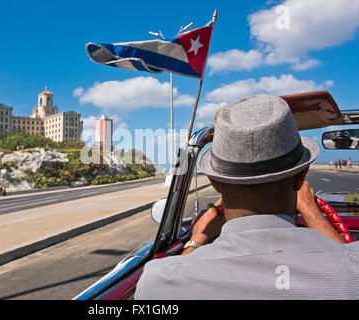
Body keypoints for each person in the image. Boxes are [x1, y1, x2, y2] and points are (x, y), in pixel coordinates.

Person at [135, 94, 359, 300]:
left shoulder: (158, 283)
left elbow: (173, 276)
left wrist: (195, 242)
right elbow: (346, 261)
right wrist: (312, 213)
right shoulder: (352, 269)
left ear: (215, 182)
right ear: (301, 176)